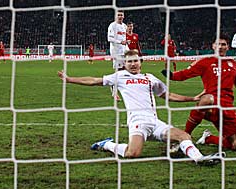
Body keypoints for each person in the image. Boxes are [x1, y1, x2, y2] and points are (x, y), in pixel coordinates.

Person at [57, 50, 225, 165]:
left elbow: (168, 95)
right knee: (132, 154)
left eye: (135, 61)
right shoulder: (120, 76)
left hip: (155, 122)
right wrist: (70, 79)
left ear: (141, 62)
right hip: (138, 123)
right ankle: (107, 144)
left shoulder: (150, 78)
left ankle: (200, 159)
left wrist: (192, 98)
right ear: (125, 63)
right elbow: (94, 80)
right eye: (129, 62)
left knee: (184, 135)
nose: (133, 64)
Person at [163, 34, 236, 153]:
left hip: (227, 108)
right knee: (206, 99)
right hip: (211, 105)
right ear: (213, 46)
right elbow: (186, 73)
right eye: (218, 44)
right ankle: (185, 138)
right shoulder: (205, 62)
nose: (220, 47)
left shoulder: (233, 65)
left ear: (228, 47)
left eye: (223, 44)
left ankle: (209, 138)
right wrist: (171, 75)